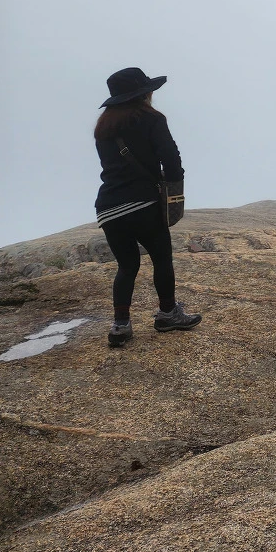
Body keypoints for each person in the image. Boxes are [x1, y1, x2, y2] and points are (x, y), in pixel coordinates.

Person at [94, 67, 201, 347]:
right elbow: (171, 158)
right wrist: (173, 187)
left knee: (127, 265)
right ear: (143, 94)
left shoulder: (103, 127)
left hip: (108, 207)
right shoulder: (152, 118)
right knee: (161, 257)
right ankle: (168, 314)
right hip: (143, 202)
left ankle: (120, 325)